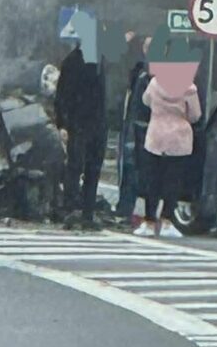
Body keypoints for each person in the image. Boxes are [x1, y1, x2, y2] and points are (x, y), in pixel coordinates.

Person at [135, 68, 202, 238]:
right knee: (173, 180)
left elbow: (145, 101)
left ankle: (149, 221)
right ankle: (166, 221)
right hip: (178, 138)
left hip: (156, 135)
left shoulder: (154, 83)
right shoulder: (189, 88)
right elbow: (195, 115)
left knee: (153, 179)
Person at [54, 37, 108, 230]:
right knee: (75, 166)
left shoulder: (100, 60)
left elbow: (102, 95)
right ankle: (71, 209)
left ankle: (88, 212)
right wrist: (62, 124)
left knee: (94, 169)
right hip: (77, 123)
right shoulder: (72, 61)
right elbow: (62, 95)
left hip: (98, 123)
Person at [116, 36, 152, 220]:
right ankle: (125, 209)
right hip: (134, 127)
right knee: (131, 170)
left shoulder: (149, 75)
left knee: (136, 171)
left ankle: (128, 210)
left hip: (144, 129)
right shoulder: (139, 72)